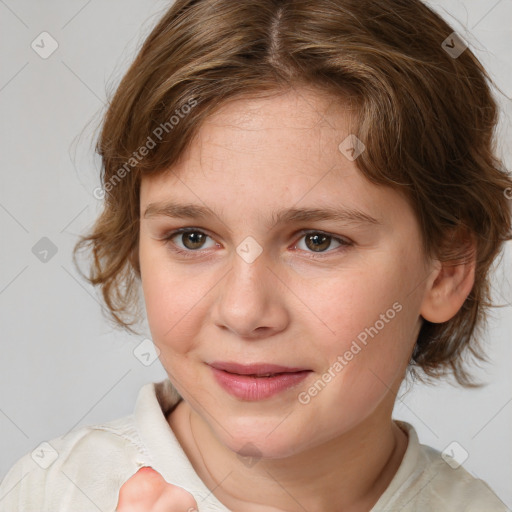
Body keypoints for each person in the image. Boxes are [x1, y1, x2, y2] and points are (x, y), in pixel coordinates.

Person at [1, 0, 511, 510]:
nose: (244, 312)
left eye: (317, 240)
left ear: (445, 269)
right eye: (192, 238)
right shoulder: (51, 494)